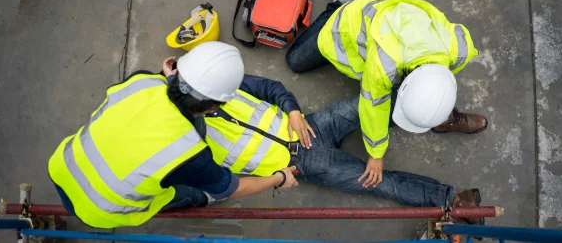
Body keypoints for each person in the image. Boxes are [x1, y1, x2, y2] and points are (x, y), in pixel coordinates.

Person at [163, 59, 485, 225]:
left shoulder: (218, 85)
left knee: (370, 103)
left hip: (311, 126)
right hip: (303, 165)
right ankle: (455, 201)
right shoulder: (191, 149)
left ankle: (438, 114)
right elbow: (219, 189)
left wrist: (292, 112)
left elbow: (271, 88)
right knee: (383, 183)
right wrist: (279, 178)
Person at [47, 42, 298, 228]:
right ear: (212, 108)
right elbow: (234, 189)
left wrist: (169, 80)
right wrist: (278, 178)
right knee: (191, 192)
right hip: (100, 208)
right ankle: (200, 199)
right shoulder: (190, 152)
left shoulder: (142, 80)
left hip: (62, 165)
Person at [285, 0, 489, 189]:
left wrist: (437, 104)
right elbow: (373, 108)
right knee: (295, 61)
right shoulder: (383, 66)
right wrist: (376, 154)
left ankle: (444, 117)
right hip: (346, 25)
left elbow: (439, 83)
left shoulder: (459, 49)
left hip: (388, 27)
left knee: (425, 97)